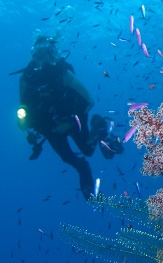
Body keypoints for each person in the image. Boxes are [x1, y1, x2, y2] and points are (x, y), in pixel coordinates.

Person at [12, 34, 123, 199]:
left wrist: (71, 122)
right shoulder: (26, 79)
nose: (40, 56)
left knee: (88, 150)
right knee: (67, 158)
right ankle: (84, 173)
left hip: (72, 119)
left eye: (45, 52)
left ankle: (100, 129)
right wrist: (23, 123)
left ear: (51, 53)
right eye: (37, 52)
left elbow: (88, 101)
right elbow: (23, 108)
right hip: (49, 127)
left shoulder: (62, 73)